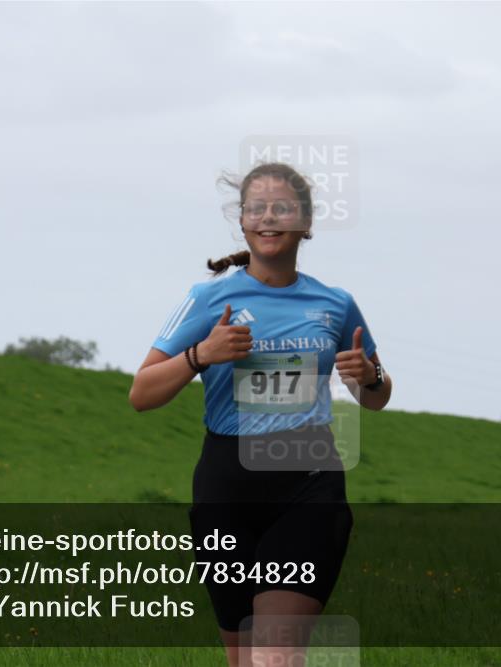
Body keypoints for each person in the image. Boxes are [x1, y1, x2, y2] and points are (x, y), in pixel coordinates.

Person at [129, 162, 392, 666]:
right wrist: (199, 356)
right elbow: (141, 393)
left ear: (306, 224)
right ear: (243, 222)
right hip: (226, 487)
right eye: (257, 209)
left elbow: (376, 396)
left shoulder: (335, 304)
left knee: (275, 656)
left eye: (282, 209)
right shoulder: (208, 299)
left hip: (308, 481)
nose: (269, 218)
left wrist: (368, 376)